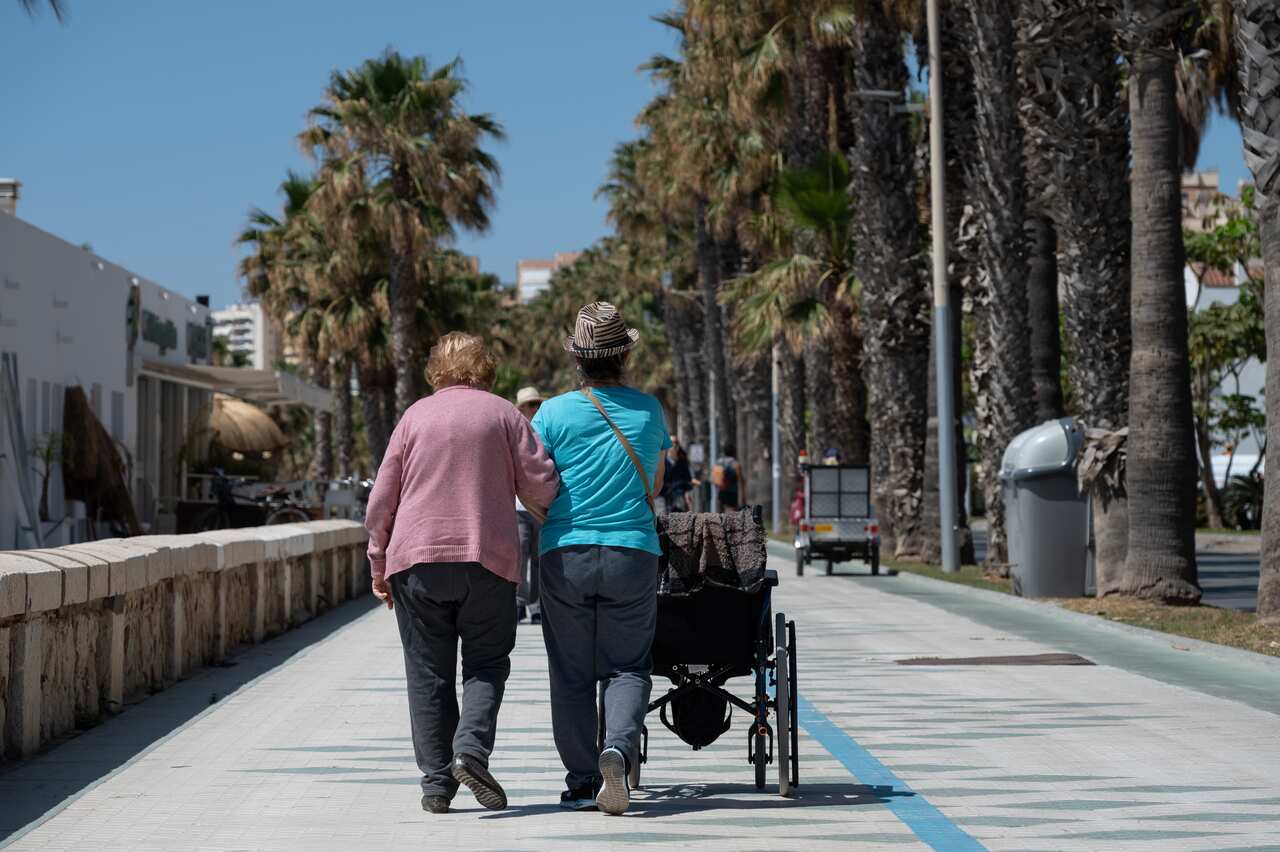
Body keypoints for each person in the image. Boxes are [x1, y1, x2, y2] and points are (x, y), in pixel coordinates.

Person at [364, 332, 559, 815]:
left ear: (436, 372)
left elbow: (381, 500)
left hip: (416, 560)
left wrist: (378, 561)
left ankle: (436, 785)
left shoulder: (413, 417)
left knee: (427, 672)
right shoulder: (504, 415)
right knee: (487, 663)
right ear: (485, 369)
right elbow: (543, 484)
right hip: (487, 561)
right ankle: (470, 751)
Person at [531, 301, 670, 816]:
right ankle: (618, 749)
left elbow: (533, 483)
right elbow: (654, 483)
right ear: (625, 355)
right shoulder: (649, 410)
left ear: (578, 360)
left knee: (570, 671)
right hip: (632, 551)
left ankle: (583, 781)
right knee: (628, 667)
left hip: (565, 552)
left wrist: (552, 518)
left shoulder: (551, 413)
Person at [659, 437, 695, 514]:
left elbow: (688, 480)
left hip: (679, 496)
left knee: (679, 520)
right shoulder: (662, 463)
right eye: (671, 442)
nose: (674, 445)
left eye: (676, 443)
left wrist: (687, 494)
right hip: (664, 497)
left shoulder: (683, 463)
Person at [712, 443, 744, 512]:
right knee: (733, 512)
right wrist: (743, 496)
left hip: (721, 491)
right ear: (734, 452)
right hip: (732, 492)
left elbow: (714, 477)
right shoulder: (735, 464)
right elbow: (741, 480)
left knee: (720, 513)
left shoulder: (718, 462)